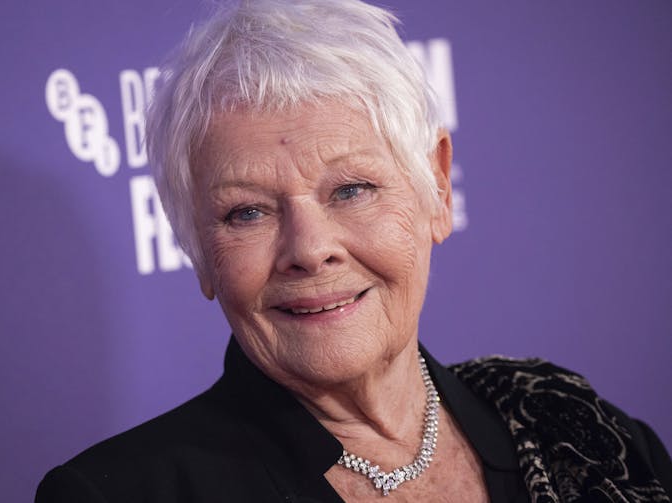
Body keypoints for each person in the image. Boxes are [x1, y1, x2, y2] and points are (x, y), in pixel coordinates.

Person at [36, 0, 672, 501]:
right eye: (247, 211)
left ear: (437, 188)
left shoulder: (576, 429)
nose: (309, 251)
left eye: (351, 189)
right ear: (196, 246)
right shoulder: (122, 493)